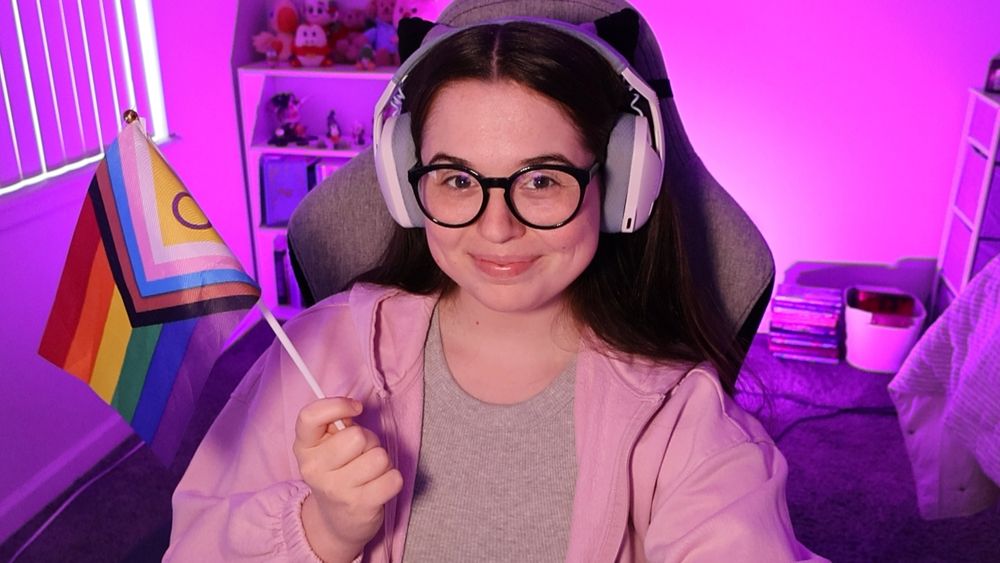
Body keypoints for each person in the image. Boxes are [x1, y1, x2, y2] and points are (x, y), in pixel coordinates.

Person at [167, 8, 826, 563]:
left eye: (541, 180)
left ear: (620, 184)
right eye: (456, 180)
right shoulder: (318, 352)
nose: (497, 226)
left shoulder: (683, 418)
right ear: (405, 185)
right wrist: (324, 527)